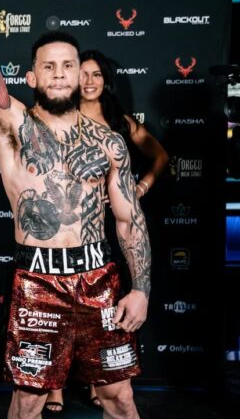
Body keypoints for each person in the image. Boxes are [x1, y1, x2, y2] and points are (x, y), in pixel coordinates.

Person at [0, 0, 151, 419]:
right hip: (37, 284)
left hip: (99, 280)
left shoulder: (109, 143)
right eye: (49, 66)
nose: (61, 73)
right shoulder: (13, 126)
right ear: (32, 77)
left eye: (69, 65)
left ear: (81, 74)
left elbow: (129, 219)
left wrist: (141, 287)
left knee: (120, 398)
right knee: (27, 402)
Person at [43, 49, 169, 413]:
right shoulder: (61, 118)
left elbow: (159, 156)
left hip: (109, 227)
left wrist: (141, 186)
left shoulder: (118, 121)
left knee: (98, 311)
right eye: (83, 74)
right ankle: (55, 388)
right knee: (57, 312)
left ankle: (101, 379)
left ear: (105, 80)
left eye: (97, 74)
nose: (89, 81)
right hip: (66, 226)